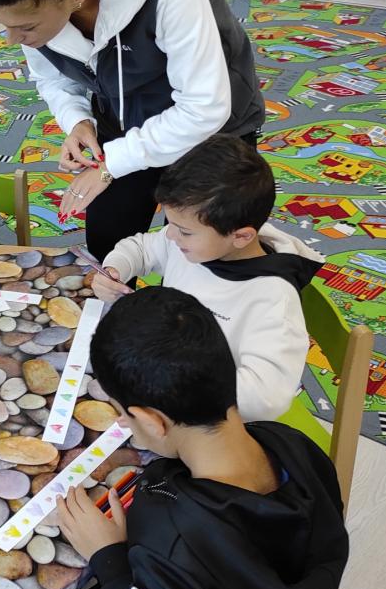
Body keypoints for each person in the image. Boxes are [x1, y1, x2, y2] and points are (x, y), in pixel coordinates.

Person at [1, 286, 348, 589]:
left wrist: (109, 558)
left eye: (124, 415)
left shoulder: (173, 538)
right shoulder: (295, 446)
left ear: (152, 420)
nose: (124, 425)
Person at [0, 0, 265, 262]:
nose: (11, 39)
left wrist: (112, 162)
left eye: (26, 28)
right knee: (107, 246)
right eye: (3, 25)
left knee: (206, 252)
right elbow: (50, 77)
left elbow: (204, 108)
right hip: (123, 120)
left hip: (212, 131)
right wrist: (77, 120)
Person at [92, 135, 322, 421]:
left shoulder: (272, 299)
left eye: (184, 231)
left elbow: (265, 399)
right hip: (162, 383)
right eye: (170, 223)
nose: (170, 235)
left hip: (217, 424)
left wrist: (172, 385)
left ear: (241, 236)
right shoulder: (194, 240)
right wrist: (115, 269)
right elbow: (139, 248)